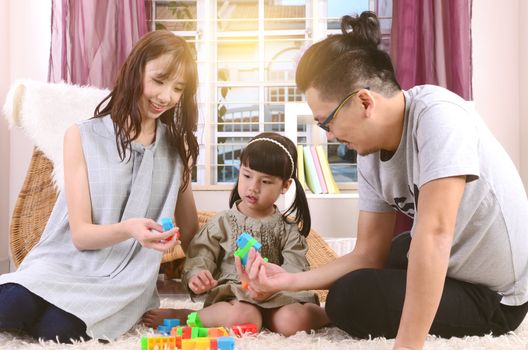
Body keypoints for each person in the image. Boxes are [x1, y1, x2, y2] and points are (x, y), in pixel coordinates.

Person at [238, 11, 528, 350]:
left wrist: (406, 346)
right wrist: (289, 280)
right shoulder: (368, 153)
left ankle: (346, 313)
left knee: (348, 297)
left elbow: (435, 235)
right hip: (453, 262)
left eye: (326, 123)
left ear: (364, 101)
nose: (329, 136)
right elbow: (367, 254)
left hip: (497, 295)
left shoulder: (440, 117)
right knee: (391, 253)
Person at [0, 30, 200, 343]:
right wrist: (130, 229)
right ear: (136, 71)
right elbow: (80, 235)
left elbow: (190, 232)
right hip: (63, 262)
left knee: (57, 330)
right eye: (159, 80)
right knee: (10, 305)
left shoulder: (178, 149)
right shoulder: (82, 135)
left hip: (124, 282)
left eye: (178, 88)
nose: (166, 97)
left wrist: (203, 271)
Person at [142, 132, 330, 336]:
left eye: (265, 182)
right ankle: (187, 317)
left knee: (291, 322)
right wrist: (197, 276)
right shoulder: (221, 223)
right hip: (235, 296)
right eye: (247, 176)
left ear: (285, 185)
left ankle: (332, 315)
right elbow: (200, 255)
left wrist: (273, 284)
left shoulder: (289, 229)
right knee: (244, 318)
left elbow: (295, 268)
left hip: (279, 296)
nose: (253, 187)